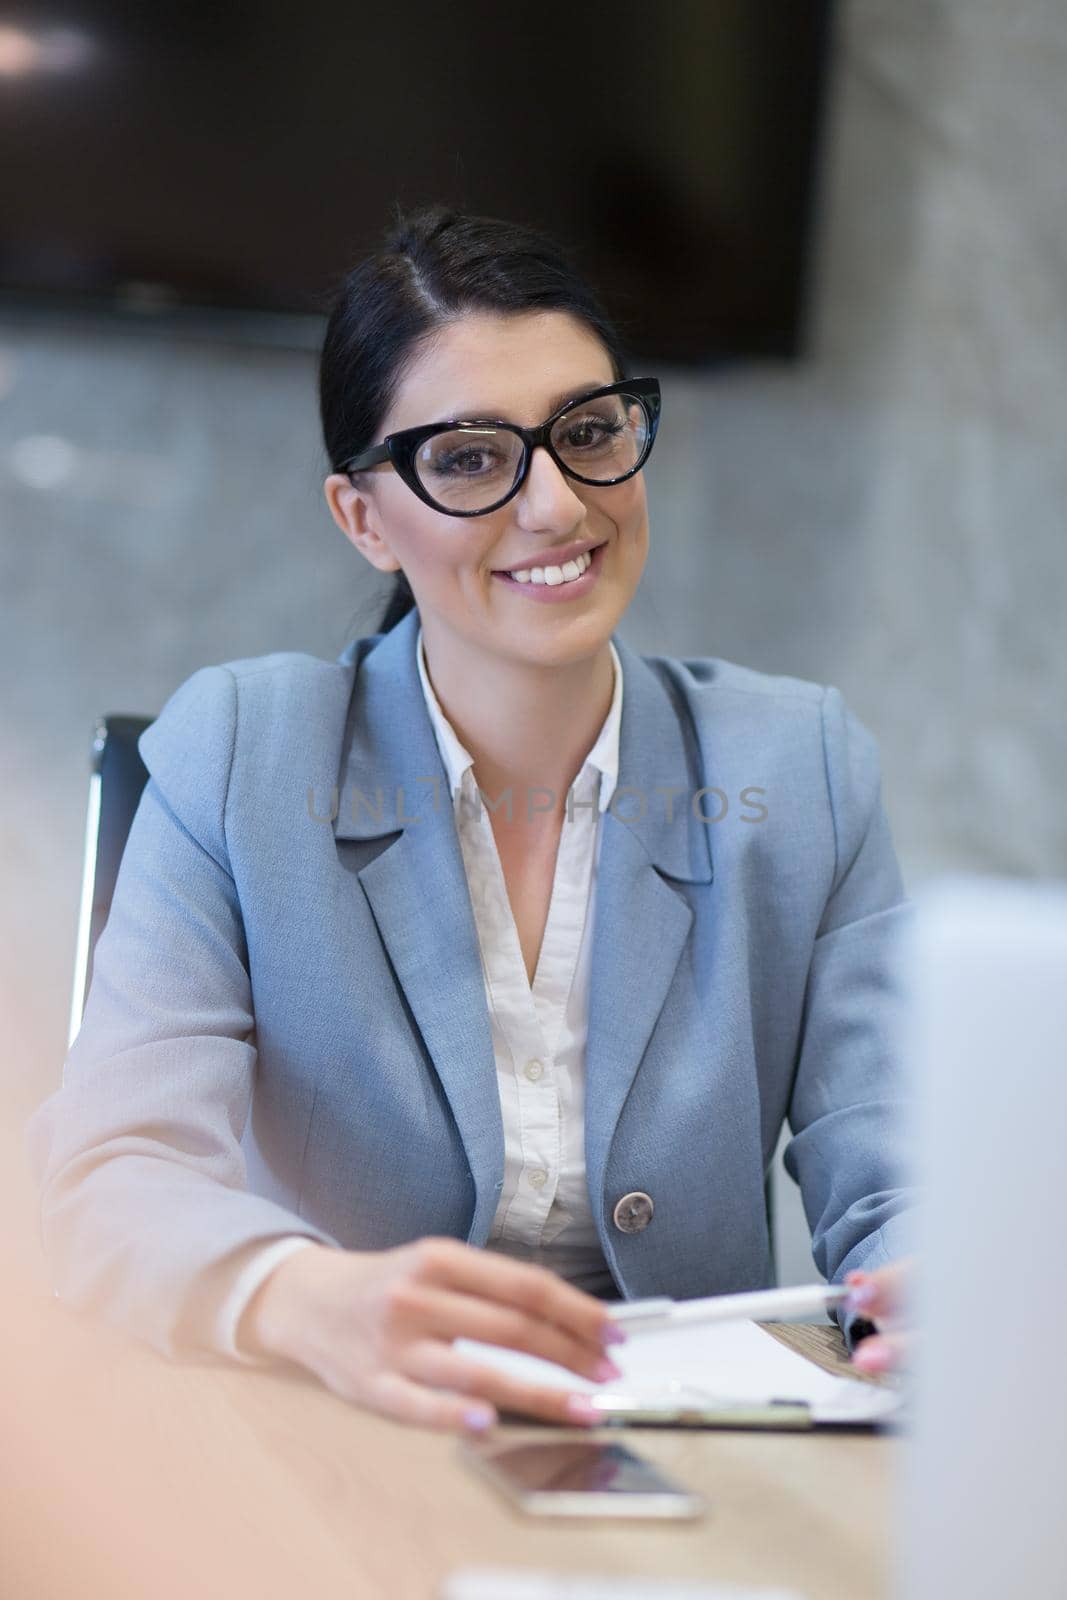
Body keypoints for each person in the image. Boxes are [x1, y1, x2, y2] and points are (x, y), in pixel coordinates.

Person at [27, 205, 914, 1434]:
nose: (555, 506)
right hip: (342, 1436)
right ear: (362, 518)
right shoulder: (240, 752)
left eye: (589, 432)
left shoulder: (800, 765)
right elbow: (105, 1176)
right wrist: (300, 1294)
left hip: (712, 1459)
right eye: (467, 457)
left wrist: (933, 1275)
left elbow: (900, 1165)